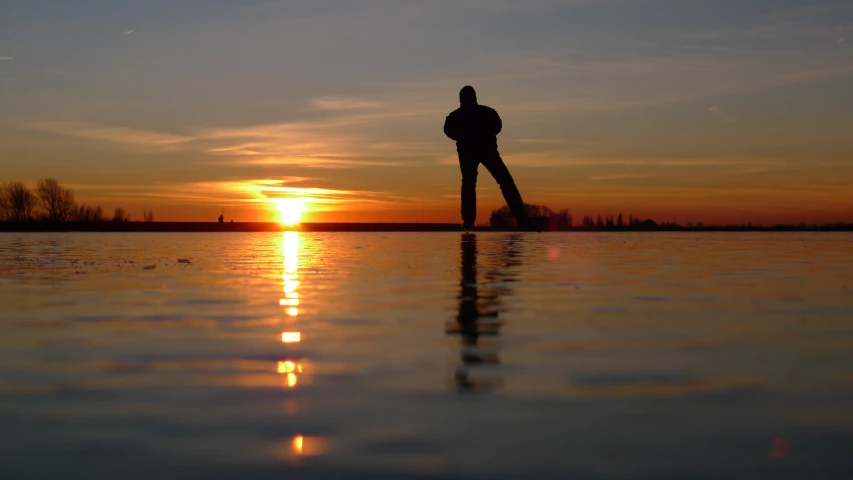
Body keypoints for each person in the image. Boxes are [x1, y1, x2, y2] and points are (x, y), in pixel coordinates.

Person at [444, 86, 534, 231]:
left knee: (497, 182)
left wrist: (469, 136)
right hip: (477, 152)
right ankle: (470, 220)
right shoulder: (463, 115)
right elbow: (448, 130)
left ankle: (521, 218)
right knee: (482, 183)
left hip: (485, 151)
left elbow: (497, 126)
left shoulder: (474, 114)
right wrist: (468, 136)